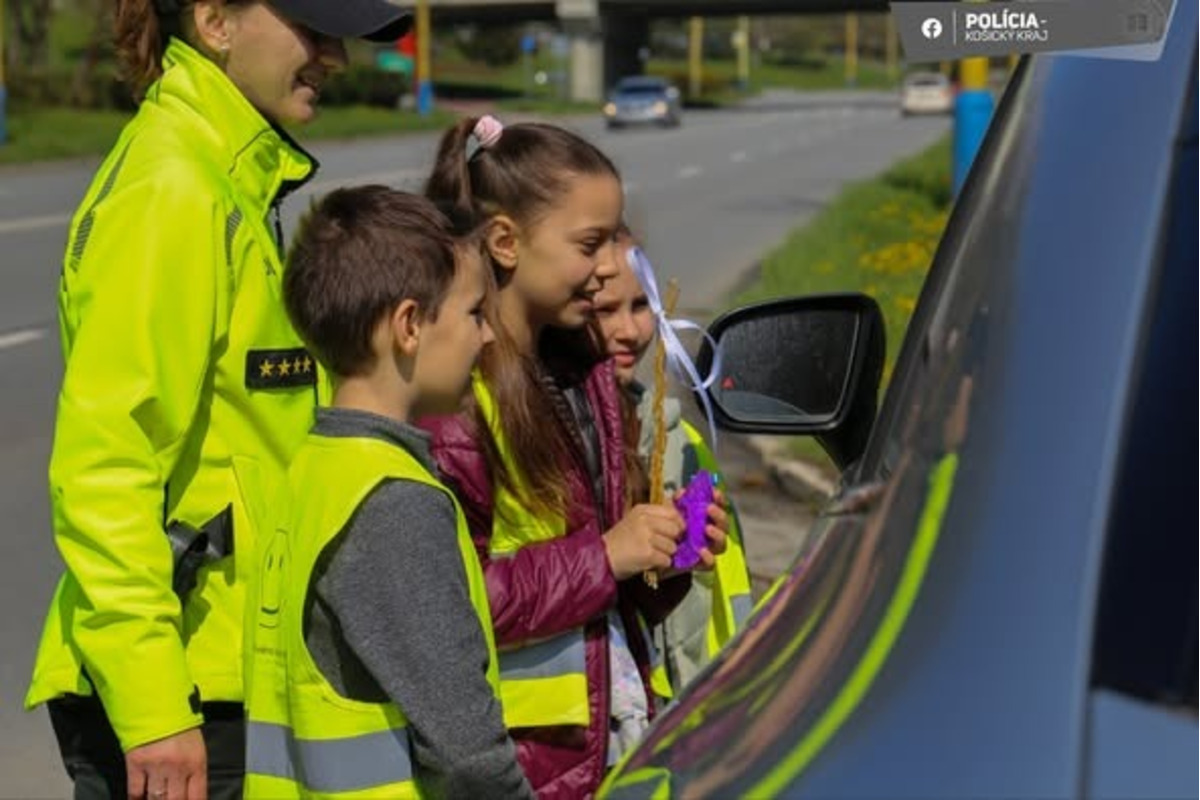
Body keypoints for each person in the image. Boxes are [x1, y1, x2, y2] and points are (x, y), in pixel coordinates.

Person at [24, 1, 411, 798]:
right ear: (215, 21)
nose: (333, 58)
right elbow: (106, 464)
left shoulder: (226, 174)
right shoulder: (172, 187)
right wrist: (154, 707)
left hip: (233, 670)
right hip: (183, 698)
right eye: (315, 30)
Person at [420, 115, 728, 798]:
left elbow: (611, 608)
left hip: (603, 751)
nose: (611, 266)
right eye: (591, 243)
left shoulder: (586, 374)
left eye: (614, 241)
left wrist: (667, 557)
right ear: (505, 241)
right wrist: (608, 555)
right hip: (514, 771)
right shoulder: (458, 403)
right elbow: (446, 608)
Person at [243, 186, 533, 799]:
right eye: (474, 313)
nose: (487, 337)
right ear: (408, 326)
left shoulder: (313, 469)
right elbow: (467, 756)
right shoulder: (395, 502)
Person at [591, 227, 755, 693]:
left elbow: (676, 597)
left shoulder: (681, 441)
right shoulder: (575, 438)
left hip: (696, 701)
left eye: (641, 306)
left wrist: (683, 558)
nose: (631, 330)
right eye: (606, 311)